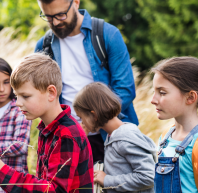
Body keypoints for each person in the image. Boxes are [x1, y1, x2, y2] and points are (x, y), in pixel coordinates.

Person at [34, 0, 138, 163]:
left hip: (113, 137)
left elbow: (125, 90)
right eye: (48, 17)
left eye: (60, 15)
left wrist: (90, 123)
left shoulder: (108, 35)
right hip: (67, 141)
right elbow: (42, 96)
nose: (55, 22)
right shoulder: (43, 46)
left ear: (76, 2)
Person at [0, 53, 93, 192]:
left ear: (51, 93)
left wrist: (2, 172)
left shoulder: (66, 135)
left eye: (25, 96)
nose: (18, 103)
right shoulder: (48, 129)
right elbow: (44, 181)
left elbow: (53, 190)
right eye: (16, 96)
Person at [151, 57, 198, 192]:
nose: (153, 100)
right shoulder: (165, 138)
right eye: (154, 92)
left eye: (162, 93)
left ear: (190, 97)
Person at [73, 82, 155, 193]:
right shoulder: (112, 136)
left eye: (81, 117)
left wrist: (107, 180)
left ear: (94, 115)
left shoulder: (125, 139)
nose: (82, 123)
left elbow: (148, 177)